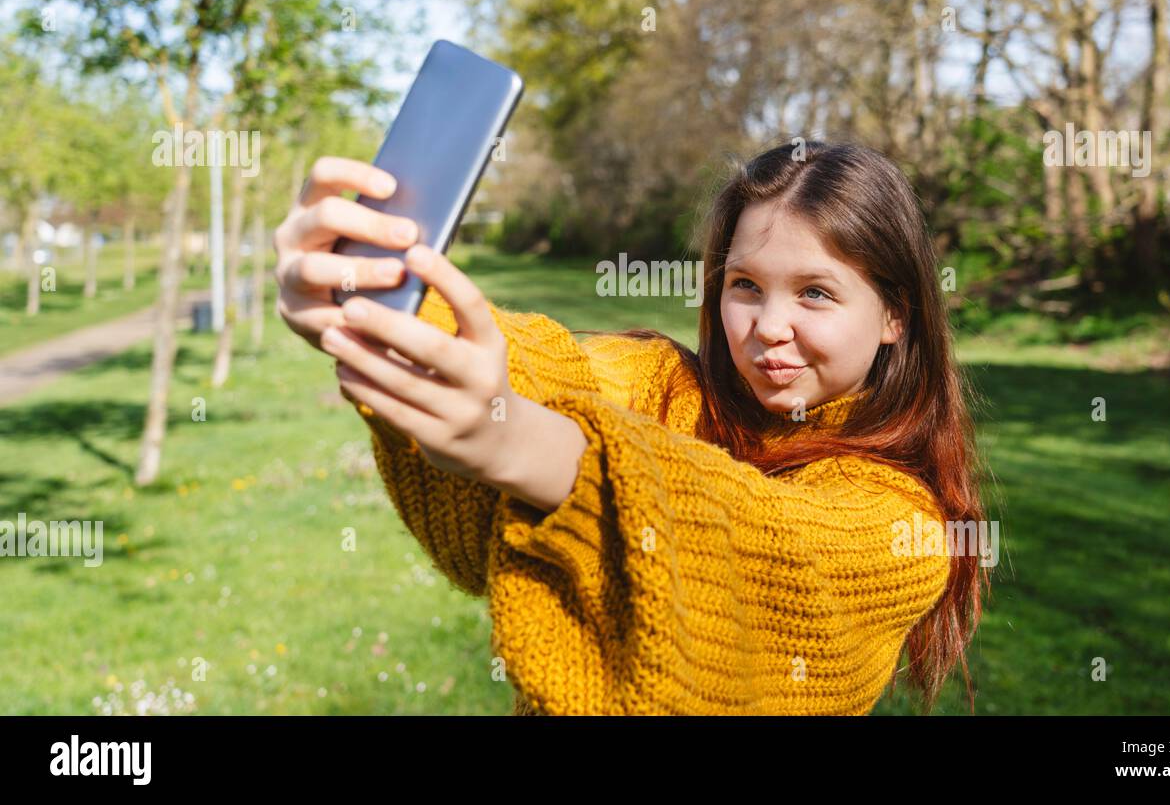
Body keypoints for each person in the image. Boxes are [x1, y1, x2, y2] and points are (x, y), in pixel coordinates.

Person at [273, 139, 990, 715]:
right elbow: (545, 369)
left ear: (896, 314)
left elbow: (764, 547)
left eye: (815, 292)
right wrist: (371, 301)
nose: (770, 328)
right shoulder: (662, 384)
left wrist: (518, 444)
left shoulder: (904, 528)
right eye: (745, 285)